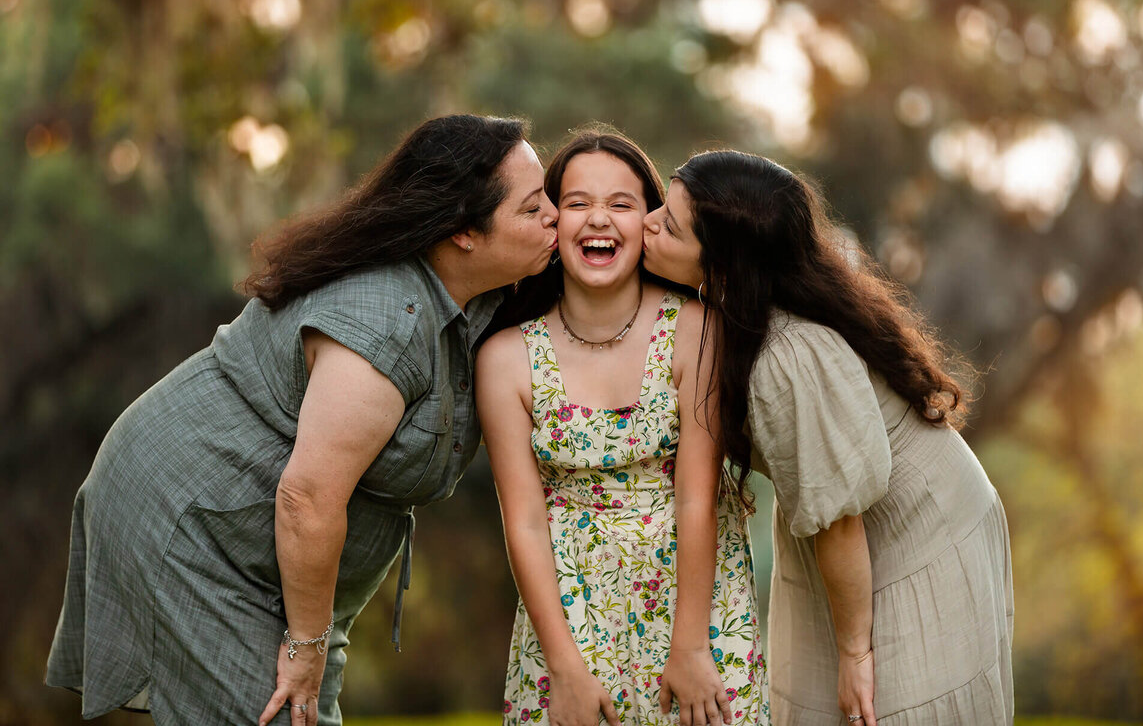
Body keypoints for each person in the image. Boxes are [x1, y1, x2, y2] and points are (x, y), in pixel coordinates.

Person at [45, 114, 559, 726]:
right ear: (462, 232)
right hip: (196, 528)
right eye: (533, 210)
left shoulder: (475, 299)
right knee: (276, 709)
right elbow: (307, 499)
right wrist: (306, 645)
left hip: (271, 554)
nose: (556, 215)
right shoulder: (384, 321)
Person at [642, 149, 1014, 726]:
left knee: (888, 707)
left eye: (667, 224)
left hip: (916, 533)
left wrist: (855, 653)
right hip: (855, 539)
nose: (646, 222)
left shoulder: (787, 356)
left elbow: (839, 520)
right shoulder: (744, 313)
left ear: (722, 268)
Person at [477, 131, 768, 726]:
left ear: (649, 222)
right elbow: (525, 522)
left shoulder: (696, 330)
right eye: (578, 203)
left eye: (622, 203)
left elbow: (696, 496)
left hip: (698, 608)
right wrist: (562, 667)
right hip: (569, 618)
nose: (598, 220)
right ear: (552, 223)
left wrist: (690, 648)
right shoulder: (506, 357)